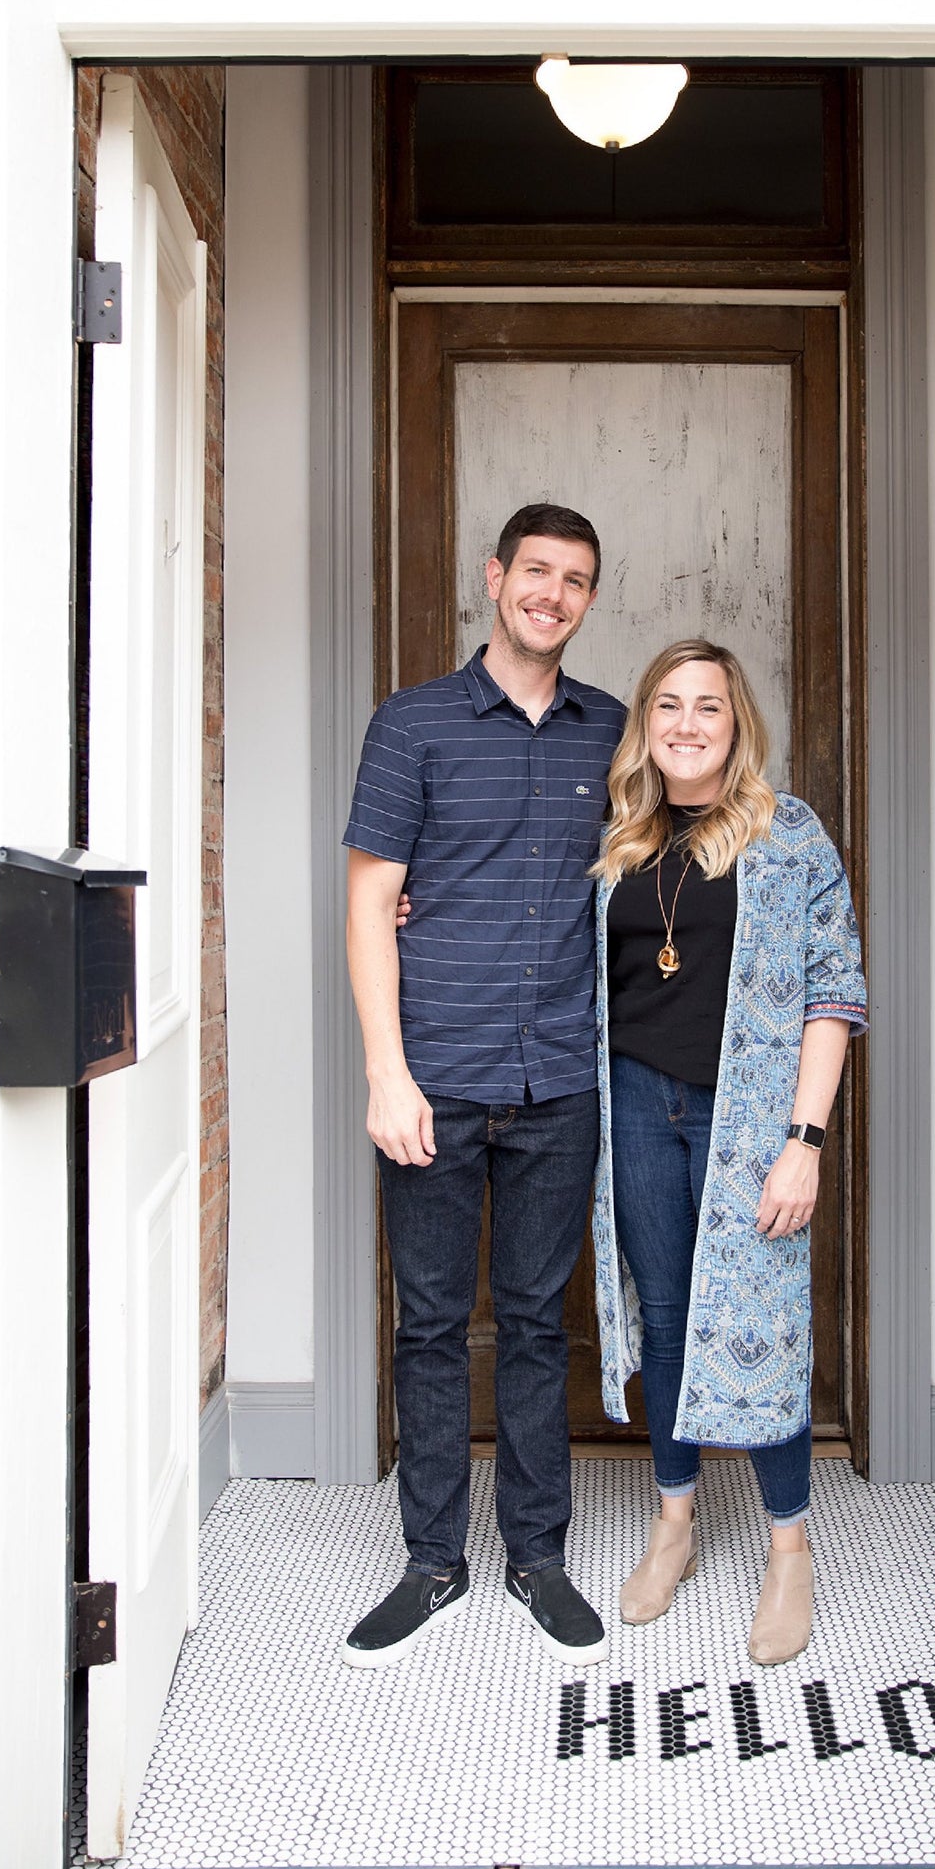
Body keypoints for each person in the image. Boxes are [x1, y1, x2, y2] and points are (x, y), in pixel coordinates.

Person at [342, 502, 625, 1670]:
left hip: (561, 1074)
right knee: (426, 1324)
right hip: (435, 1078)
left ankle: (537, 1554)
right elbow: (370, 902)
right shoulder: (409, 726)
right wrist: (385, 1073)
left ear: (588, 599)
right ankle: (430, 1559)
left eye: (576, 580)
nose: (552, 594)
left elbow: (663, 866)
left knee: (532, 1324)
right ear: (495, 577)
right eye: (536, 572)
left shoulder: (610, 730)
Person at [590, 638, 867, 1666]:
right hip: (634, 1105)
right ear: (646, 724)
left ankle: (788, 1548)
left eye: (709, 705)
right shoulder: (617, 839)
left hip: (746, 1118)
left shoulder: (789, 835)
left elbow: (833, 992)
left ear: (736, 721)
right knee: (667, 1317)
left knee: (761, 1316)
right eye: (668, 704)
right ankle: (676, 1525)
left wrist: (804, 1140)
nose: (688, 723)